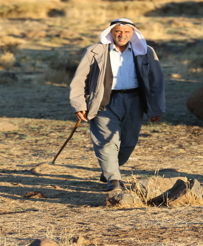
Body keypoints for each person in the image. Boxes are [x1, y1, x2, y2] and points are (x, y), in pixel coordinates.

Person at [69, 18, 165, 192]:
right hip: (103, 101)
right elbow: (79, 79)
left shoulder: (145, 52)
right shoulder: (95, 51)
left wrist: (157, 107)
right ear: (111, 32)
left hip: (135, 100)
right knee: (106, 142)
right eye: (118, 31)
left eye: (126, 32)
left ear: (133, 34)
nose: (122, 35)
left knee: (128, 143)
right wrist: (79, 104)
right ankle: (113, 179)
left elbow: (156, 81)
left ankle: (109, 169)